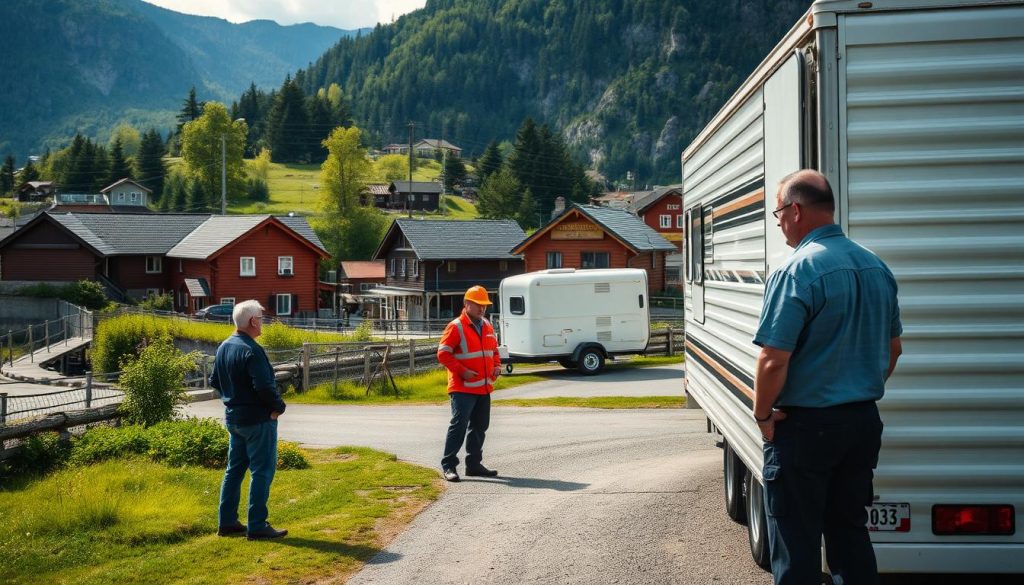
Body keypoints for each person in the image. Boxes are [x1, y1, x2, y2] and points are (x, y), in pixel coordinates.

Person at [753, 170, 902, 584]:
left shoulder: (796, 271)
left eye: (778, 213)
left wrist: (763, 414)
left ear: (796, 210)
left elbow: (772, 360)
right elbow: (894, 350)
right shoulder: (877, 268)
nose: (779, 222)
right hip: (861, 423)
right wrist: (856, 390)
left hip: (805, 428)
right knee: (851, 536)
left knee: (796, 546)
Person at [210, 300, 289, 540]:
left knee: (234, 470)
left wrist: (232, 396)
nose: (262, 322)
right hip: (258, 420)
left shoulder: (225, 346)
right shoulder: (252, 349)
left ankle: (227, 522)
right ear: (253, 321)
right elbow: (264, 386)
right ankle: (257, 525)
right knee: (262, 471)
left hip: (234, 418)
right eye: (261, 318)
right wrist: (278, 407)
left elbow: (214, 381)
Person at [437, 285, 502, 482]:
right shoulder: (455, 326)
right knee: (459, 425)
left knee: (480, 426)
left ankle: (473, 465)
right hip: (462, 388)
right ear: (467, 304)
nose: (483, 309)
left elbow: (495, 351)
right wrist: (462, 371)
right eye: (478, 305)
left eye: (485, 305)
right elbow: (443, 354)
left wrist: (497, 366)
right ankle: (448, 465)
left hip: (483, 387)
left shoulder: (488, 326)